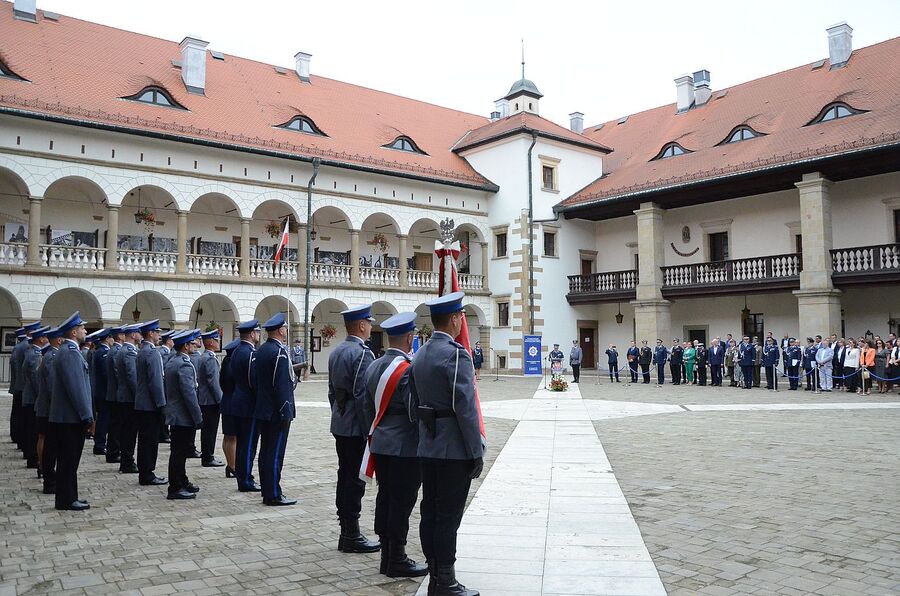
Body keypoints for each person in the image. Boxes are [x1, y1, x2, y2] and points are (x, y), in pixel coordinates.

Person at [409, 292, 483, 596]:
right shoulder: (456, 354)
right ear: (454, 319)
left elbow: (413, 402)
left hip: (428, 444)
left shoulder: (421, 353)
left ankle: (435, 569)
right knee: (449, 516)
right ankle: (445, 579)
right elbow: (465, 408)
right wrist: (475, 451)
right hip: (453, 448)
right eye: (461, 318)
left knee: (430, 510)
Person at [362, 312, 427, 578]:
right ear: (410, 338)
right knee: (402, 502)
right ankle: (397, 558)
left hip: (380, 443)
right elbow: (414, 412)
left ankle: (387, 556)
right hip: (404, 447)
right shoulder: (406, 369)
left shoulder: (374, 365)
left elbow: (365, 407)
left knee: (385, 498)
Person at [328, 304, 380, 553]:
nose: (371, 326)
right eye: (369, 322)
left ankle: (346, 530)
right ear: (361, 325)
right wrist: (369, 428)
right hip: (355, 427)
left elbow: (332, 392)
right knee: (354, 480)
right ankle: (351, 534)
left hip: (340, 422)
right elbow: (362, 396)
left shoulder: (337, 351)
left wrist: (338, 413)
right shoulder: (362, 353)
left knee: (344, 475)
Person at [49, 312, 93, 511]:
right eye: (83, 328)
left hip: (68, 416)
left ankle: (69, 496)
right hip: (70, 417)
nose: (85, 331)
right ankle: (66, 499)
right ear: (74, 332)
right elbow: (76, 388)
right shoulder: (70, 353)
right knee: (68, 460)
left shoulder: (68, 351)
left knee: (70, 460)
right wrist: (87, 415)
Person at [253, 313, 298, 506]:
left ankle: (267, 489)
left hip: (263, 408)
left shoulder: (261, 350)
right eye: (286, 328)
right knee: (275, 454)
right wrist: (285, 411)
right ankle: (273, 493)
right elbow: (281, 385)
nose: (286, 331)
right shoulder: (279, 352)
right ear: (281, 330)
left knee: (266, 452)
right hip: (276, 411)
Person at [163, 330, 203, 500]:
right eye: (192, 344)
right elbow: (189, 394)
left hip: (176, 413)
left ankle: (182, 480)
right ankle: (175, 487)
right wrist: (198, 416)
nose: (195, 346)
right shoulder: (184, 364)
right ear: (185, 346)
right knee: (179, 453)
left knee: (179, 451)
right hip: (182, 415)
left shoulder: (173, 361)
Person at [229, 319, 262, 492]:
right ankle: (245, 479)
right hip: (248, 404)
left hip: (238, 401)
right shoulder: (250, 353)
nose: (258, 335)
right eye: (257, 332)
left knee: (243, 443)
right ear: (251, 334)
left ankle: (243, 476)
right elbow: (252, 380)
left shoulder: (236, 351)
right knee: (248, 445)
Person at [134, 320, 167, 486]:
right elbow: (156, 382)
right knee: (150, 441)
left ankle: (144, 471)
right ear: (151, 334)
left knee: (144, 440)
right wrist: (161, 404)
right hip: (150, 404)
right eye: (157, 332)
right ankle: (147, 473)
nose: (159, 335)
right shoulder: (152, 353)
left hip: (141, 402)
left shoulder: (142, 351)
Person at [36, 327, 62, 494]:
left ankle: (49, 477)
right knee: (51, 446)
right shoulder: (52, 357)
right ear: (59, 340)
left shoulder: (51, 355)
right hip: (49, 409)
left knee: (50, 444)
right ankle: (50, 480)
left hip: (47, 408)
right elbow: (53, 388)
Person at [22, 326, 50, 471]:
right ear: (41, 339)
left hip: (32, 398)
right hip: (34, 399)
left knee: (33, 431)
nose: (47, 339)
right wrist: (42, 396)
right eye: (45, 337)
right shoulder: (34, 354)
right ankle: (33, 458)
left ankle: (32, 456)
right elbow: (35, 380)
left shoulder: (32, 352)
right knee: (34, 432)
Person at [10, 321, 42, 451]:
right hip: (25, 387)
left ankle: (19, 439)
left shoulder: (21, 346)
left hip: (21, 385)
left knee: (20, 417)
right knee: (26, 420)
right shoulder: (27, 347)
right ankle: (23, 443)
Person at [115, 323, 142, 474]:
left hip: (123, 396)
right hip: (129, 399)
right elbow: (133, 377)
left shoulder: (122, 350)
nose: (140, 335)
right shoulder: (130, 352)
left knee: (126, 431)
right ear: (133, 335)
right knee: (129, 432)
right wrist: (138, 396)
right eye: (138, 333)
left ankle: (126, 460)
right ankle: (127, 462)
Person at [197, 330, 225, 468]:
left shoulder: (205, 357)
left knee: (207, 430)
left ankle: (207, 455)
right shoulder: (210, 358)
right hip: (210, 400)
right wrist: (221, 400)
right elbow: (213, 383)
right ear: (211, 343)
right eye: (216, 340)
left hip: (205, 399)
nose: (218, 342)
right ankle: (208, 456)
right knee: (210, 430)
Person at [87, 329, 112, 457]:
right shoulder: (103, 353)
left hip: (99, 390)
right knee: (104, 419)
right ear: (107, 339)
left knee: (102, 418)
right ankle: (100, 444)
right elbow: (106, 374)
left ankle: (100, 443)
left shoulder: (98, 351)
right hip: (104, 391)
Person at [103, 326, 125, 464]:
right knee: (117, 426)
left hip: (113, 392)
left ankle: (113, 451)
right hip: (117, 393)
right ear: (120, 336)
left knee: (114, 424)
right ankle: (114, 452)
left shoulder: (113, 350)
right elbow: (119, 374)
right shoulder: (116, 351)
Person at [219, 339, 240, 478]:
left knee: (228, 436)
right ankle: (233, 466)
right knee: (233, 437)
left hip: (226, 402)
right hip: (233, 403)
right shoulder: (233, 366)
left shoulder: (225, 364)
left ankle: (230, 464)